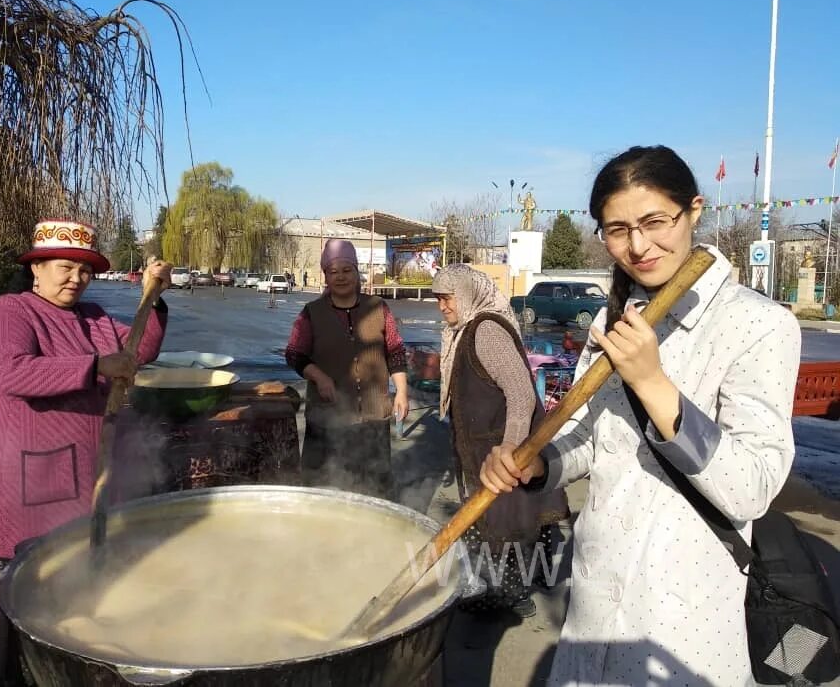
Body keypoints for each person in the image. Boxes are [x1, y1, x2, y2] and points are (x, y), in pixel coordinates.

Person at [480, 146, 800, 685]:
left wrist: (653, 383)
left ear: (694, 211)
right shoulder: (614, 320)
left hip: (682, 627)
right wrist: (536, 466)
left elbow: (753, 488)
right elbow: (589, 442)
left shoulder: (758, 325)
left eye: (655, 221)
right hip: (592, 609)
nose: (638, 245)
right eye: (617, 229)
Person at [0, 219, 172, 559]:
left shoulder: (93, 316)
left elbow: (138, 351)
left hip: (92, 468)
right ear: (36, 269)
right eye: (66, 267)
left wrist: (154, 300)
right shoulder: (13, 310)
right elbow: (12, 372)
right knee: (40, 568)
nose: (76, 278)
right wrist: (96, 365)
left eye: (85, 270)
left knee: (86, 563)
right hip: (37, 476)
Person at [432, 264, 569, 618]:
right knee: (494, 521)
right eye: (438, 299)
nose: (442, 306)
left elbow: (521, 393)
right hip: (484, 444)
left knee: (509, 523)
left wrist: (512, 448)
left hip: (503, 445)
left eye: (448, 298)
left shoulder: (486, 331)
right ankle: (500, 589)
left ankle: (512, 598)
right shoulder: (466, 330)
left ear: (468, 295)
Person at [285, 238, 409, 498]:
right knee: (324, 491)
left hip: (373, 419)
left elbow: (395, 350)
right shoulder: (311, 313)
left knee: (373, 491)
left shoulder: (378, 308)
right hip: (327, 420)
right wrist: (319, 377)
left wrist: (402, 392)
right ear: (326, 276)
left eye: (346, 270)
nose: (340, 277)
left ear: (356, 271)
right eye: (333, 271)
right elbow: (295, 354)